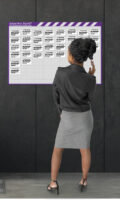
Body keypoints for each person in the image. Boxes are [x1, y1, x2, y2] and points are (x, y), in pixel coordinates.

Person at [47, 38, 97, 195]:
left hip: (67, 117)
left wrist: (61, 111)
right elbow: (88, 99)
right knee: (85, 150)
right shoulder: (91, 79)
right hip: (85, 117)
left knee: (57, 151)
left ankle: (53, 183)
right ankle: (83, 180)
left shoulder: (60, 73)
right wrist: (90, 77)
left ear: (71, 56)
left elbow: (55, 95)